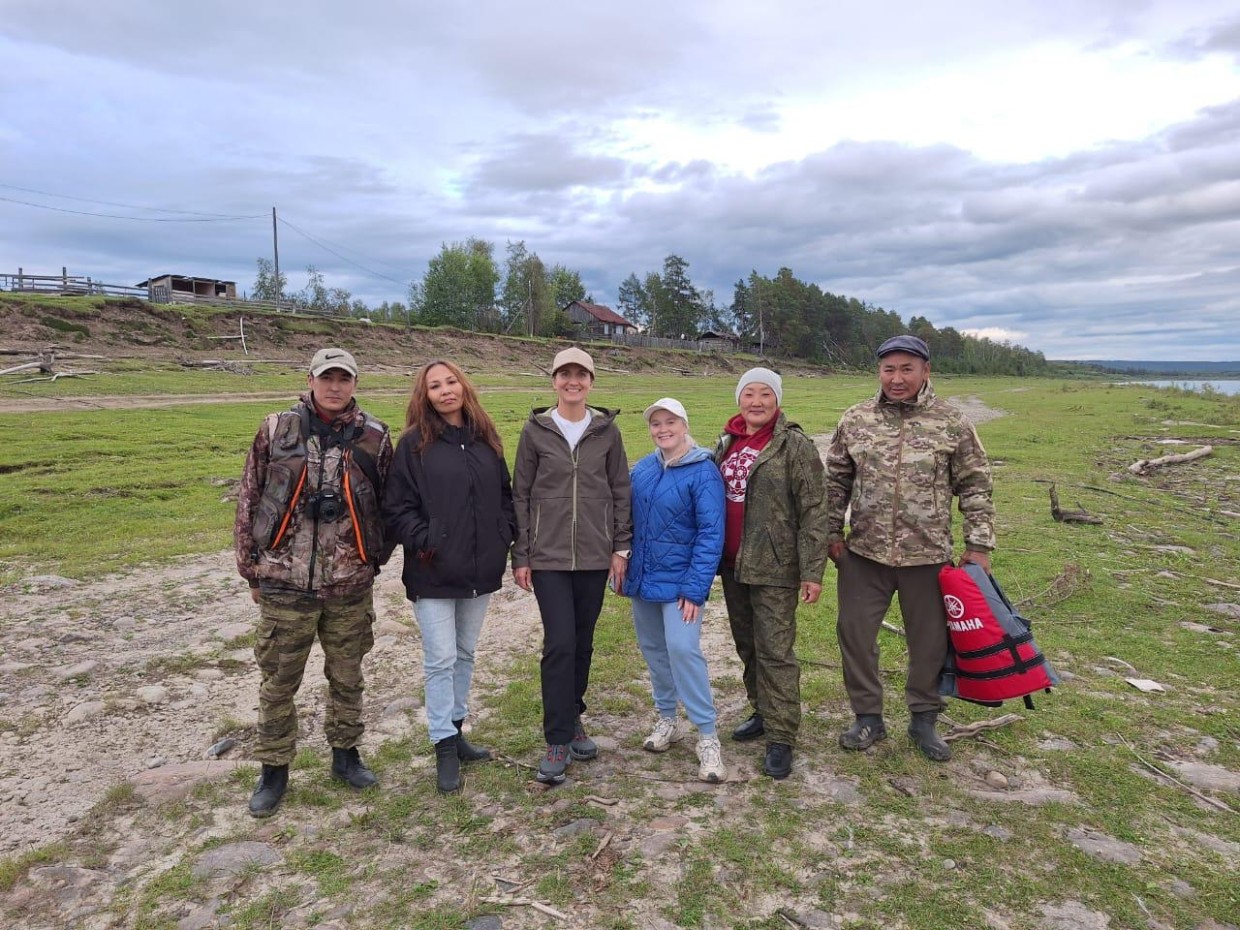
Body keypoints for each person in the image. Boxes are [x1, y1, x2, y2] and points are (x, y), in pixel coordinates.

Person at [234, 347, 393, 817]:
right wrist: (250, 567)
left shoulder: (376, 438)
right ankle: (274, 771)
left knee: (348, 677)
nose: (335, 386)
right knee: (278, 682)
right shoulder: (275, 429)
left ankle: (346, 757)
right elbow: (249, 495)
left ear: (355, 384)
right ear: (310, 379)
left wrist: (374, 562)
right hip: (283, 581)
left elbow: (389, 507)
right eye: (327, 377)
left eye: (344, 378)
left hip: (349, 584)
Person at [826, 334, 995, 762]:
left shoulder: (952, 422)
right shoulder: (856, 419)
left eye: (906, 369)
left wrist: (979, 545)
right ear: (878, 371)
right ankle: (868, 718)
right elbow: (835, 483)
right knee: (855, 635)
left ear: (925, 371)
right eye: (889, 369)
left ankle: (924, 720)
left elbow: (975, 486)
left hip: (928, 556)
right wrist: (830, 534)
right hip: (864, 554)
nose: (897, 378)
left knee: (930, 643)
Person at [383, 360, 516, 794]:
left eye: (451, 381)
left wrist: (504, 534)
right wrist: (427, 540)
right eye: (434, 386)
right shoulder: (412, 446)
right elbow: (397, 508)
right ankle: (442, 743)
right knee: (439, 658)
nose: (445, 391)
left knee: (464, 653)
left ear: (464, 385)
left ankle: (456, 731)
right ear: (424, 395)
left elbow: (505, 494)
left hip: (480, 569)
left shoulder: (485, 439)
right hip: (433, 571)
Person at [511, 347, 632, 785]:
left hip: (596, 556)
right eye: (565, 374)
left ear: (592, 381)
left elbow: (621, 490)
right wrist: (521, 554)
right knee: (559, 643)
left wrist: (621, 549)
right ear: (554, 381)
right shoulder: (536, 429)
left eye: (581, 374)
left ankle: (574, 715)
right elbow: (520, 494)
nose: (572, 382)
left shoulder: (607, 431)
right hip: (548, 557)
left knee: (582, 642)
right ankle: (557, 739)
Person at [713, 368, 828, 780]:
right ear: (739, 399)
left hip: (776, 567)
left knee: (776, 652)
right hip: (732, 564)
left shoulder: (793, 445)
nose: (756, 401)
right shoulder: (726, 442)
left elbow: (815, 509)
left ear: (777, 400)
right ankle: (761, 711)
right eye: (749, 394)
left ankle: (781, 737)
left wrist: (813, 570)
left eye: (765, 394)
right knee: (747, 645)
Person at [627, 398, 728, 783]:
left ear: (684, 425)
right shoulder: (644, 469)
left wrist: (694, 587)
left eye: (670, 422)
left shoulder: (703, 472)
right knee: (654, 651)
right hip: (644, 581)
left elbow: (710, 533)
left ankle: (707, 734)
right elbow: (628, 519)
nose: (663, 429)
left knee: (683, 650)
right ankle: (667, 718)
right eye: (656, 423)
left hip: (682, 585)